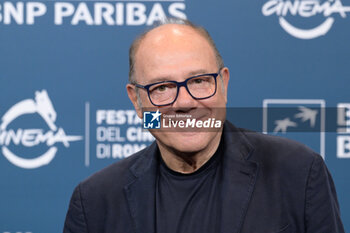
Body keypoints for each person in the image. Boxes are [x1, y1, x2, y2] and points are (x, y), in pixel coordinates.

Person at [63, 18, 345, 233]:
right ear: (137, 101)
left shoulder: (298, 172)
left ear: (223, 83)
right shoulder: (95, 202)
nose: (183, 102)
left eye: (199, 81)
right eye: (162, 87)